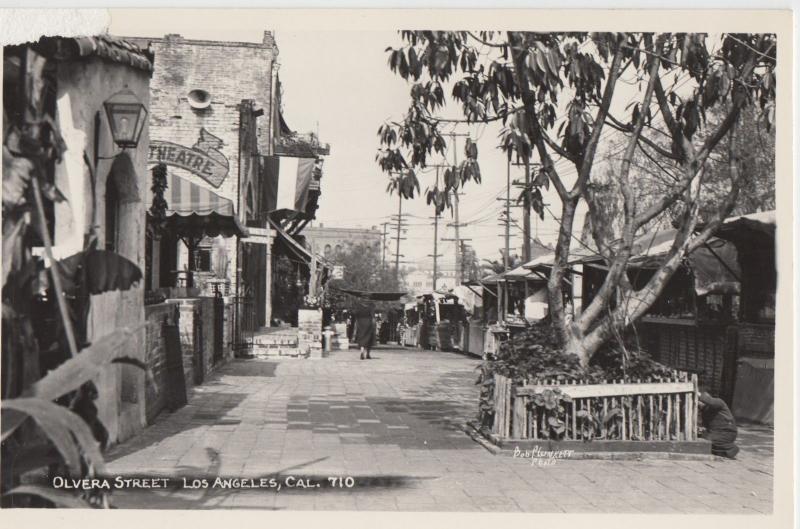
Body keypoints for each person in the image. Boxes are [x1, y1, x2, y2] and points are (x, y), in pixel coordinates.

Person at [698, 390, 739, 458]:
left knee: (708, 440)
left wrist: (697, 394)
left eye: (700, 401)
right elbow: (706, 425)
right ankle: (724, 451)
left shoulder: (719, 402)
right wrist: (701, 429)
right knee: (702, 438)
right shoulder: (705, 411)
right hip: (716, 432)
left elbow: (709, 400)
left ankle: (731, 448)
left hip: (728, 432)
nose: (699, 404)